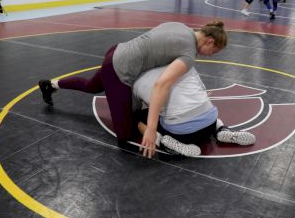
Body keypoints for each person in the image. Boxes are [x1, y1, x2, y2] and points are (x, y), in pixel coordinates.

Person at [38, 21, 228, 159]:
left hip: (117, 51)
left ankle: (51, 84)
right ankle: (162, 139)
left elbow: (154, 46)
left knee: (91, 86)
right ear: (210, 41)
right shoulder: (188, 53)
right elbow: (161, 85)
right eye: (215, 52)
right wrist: (152, 129)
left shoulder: (182, 27)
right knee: (125, 136)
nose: (212, 55)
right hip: (119, 70)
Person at [132, 66, 256, 157]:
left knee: (135, 118)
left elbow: (136, 108)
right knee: (203, 107)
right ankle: (221, 130)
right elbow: (203, 91)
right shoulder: (183, 64)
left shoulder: (137, 83)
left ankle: (163, 141)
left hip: (182, 135)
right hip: (209, 125)